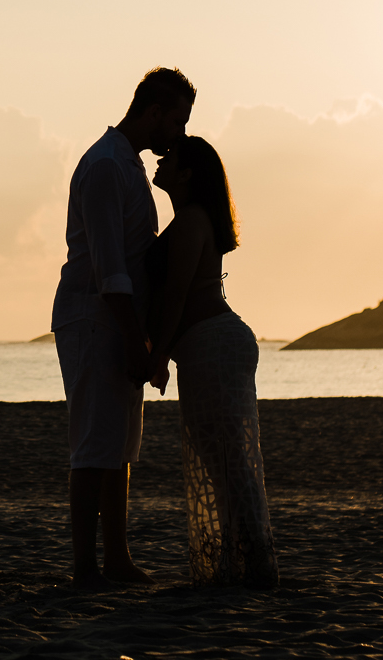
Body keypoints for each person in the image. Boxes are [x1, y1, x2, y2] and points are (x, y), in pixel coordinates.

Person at [50, 66, 195, 586]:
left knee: (120, 445)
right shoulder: (108, 166)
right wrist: (137, 339)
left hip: (117, 317)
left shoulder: (127, 165)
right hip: (96, 316)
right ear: (153, 113)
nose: (178, 134)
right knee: (94, 443)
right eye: (176, 121)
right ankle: (87, 565)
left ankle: (116, 556)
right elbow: (109, 267)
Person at [146, 136, 280, 588]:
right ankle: (242, 559)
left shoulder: (190, 223)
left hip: (212, 346)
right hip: (215, 344)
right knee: (225, 459)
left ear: (187, 175)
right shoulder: (192, 220)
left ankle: (249, 562)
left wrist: (158, 355)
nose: (160, 161)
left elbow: (177, 297)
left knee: (228, 460)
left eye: (171, 158)